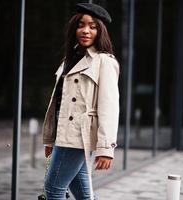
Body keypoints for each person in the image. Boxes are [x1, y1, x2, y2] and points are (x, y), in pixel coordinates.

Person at [42, 3, 119, 200]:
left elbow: (109, 108)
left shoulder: (104, 61)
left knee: (53, 189)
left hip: (78, 136)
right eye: (81, 25)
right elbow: (58, 103)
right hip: (64, 135)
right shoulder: (70, 58)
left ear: (100, 31)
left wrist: (106, 148)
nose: (85, 30)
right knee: (82, 194)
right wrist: (51, 138)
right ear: (74, 28)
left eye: (92, 26)